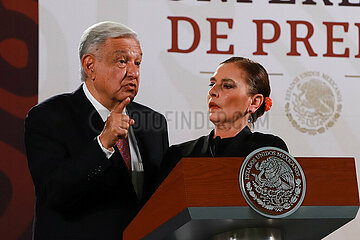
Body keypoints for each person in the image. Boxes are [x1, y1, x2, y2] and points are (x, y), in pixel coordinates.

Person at [24, 21, 169, 240]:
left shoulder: (153, 122)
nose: (133, 72)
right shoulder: (49, 117)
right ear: (90, 65)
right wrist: (102, 144)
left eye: (137, 62)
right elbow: (54, 194)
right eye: (122, 61)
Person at [160, 57, 288, 179]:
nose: (212, 92)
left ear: (254, 102)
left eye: (227, 86)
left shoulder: (267, 150)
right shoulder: (179, 154)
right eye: (212, 84)